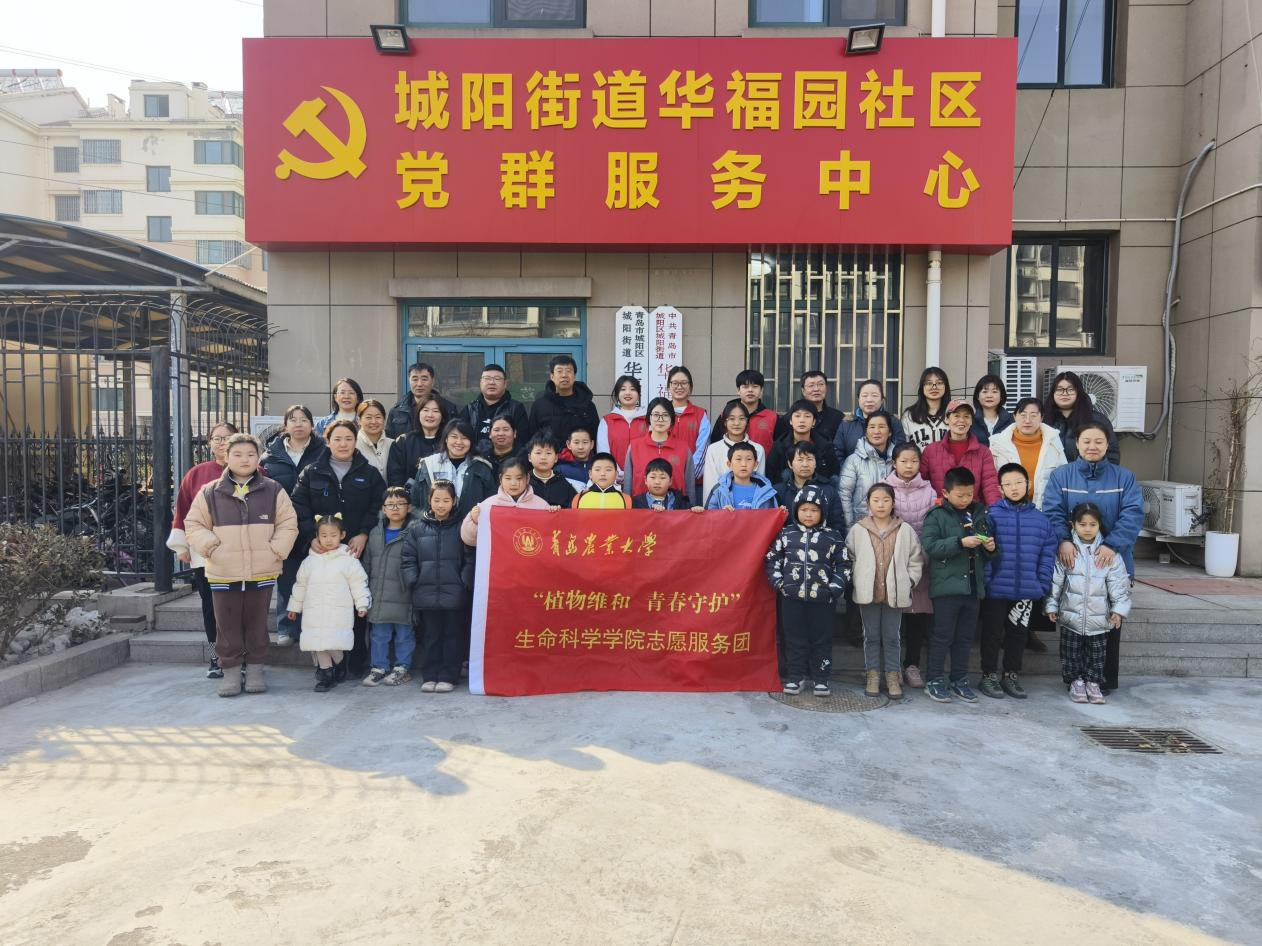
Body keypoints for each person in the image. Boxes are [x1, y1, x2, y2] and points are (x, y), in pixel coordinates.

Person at [183, 433, 297, 697]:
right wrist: (213, 547)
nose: (244, 459)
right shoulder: (210, 491)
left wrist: (275, 551)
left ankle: (255, 670)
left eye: (250, 454)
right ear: (226, 457)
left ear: (258, 458)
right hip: (223, 571)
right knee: (226, 624)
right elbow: (194, 524)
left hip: (262, 570)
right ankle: (231, 672)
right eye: (237, 454)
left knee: (257, 623)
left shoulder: (273, 490)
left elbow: (288, 524)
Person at [1041, 423, 1143, 691]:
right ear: (1077, 444)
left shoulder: (1124, 478)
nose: (1092, 446)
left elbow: (1133, 514)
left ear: (1108, 445)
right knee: (1074, 625)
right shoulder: (1061, 476)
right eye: (1086, 441)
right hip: (1072, 560)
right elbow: (1052, 511)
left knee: (1109, 621)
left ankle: (1102, 680)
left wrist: (1112, 545)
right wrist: (1063, 540)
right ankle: (1075, 678)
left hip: (1111, 560)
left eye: (1099, 441)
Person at [290, 419, 386, 677]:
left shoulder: (369, 473)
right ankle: (327, 664)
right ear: (328, 441)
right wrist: (311, 537)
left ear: (356, 441)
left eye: (349, 439)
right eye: (337, 439)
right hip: (321, 552)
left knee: (356, 606)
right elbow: (298, 507)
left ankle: (355, 662)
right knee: (323, 607)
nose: (343, 444)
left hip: (356, 550)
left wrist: (363, 533)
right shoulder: (311, 472)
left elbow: (378, 505)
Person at [980, 464, 1058, 699]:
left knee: (1018, 634)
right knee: (992, 634)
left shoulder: (1041, 520)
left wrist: (1041, 583)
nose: (1014, 488)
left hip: (1026, 590)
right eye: (1008, 484)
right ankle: (988, 675)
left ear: (1028, 485)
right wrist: (987, 581)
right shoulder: (991, 516)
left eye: (1018, 482)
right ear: (1000, 488)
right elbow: (983, 553)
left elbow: (1047, 555)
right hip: (995, 590)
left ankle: (1011, 675)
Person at [166, 420, 237, 678]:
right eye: (217, 438)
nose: (222, 443)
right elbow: (183, 511)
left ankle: (241, 656)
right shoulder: (196, 474)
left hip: (241, 551)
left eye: (227, 437)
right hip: (205, 553)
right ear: (209, 443)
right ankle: (216, 655)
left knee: (240, 606)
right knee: (211, 604)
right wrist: (181, 544)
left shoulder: (254, 470)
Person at [921, 467, 996, 704]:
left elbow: (988, 555)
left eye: (969, 494)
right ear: (945, 493)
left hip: (973, 587)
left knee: (964, 638)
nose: (965, 499)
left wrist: (991, 548)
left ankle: (959, 680)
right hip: (946, 588)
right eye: (960, 495)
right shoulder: (936, 515)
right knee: (942, 636)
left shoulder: (980, 513)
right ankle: (934, 680)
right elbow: (930, 546)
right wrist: (960, 543)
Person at [765, 484, 848, 697]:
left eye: (814, 510)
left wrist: (834, 589)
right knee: (794, 639)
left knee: (822, 640)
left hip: (823, 599)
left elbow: (843, 564)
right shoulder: (786, 534)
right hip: (791, 598)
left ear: (823, 512)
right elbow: (772, 559)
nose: (808, 514)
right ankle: (795, 677)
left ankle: (821, 678)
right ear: (795, 510)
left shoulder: (833, 536)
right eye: (803, 509)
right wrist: (780, 584)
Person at [1046, 502, 1132, 705]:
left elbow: (1119, 585)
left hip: (1100, 618)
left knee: (1097, 654)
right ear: (1073, 525)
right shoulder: (1067, 552)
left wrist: (1119, 610)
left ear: (1099, 525)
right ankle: (1075, 682)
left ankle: (1093, 683)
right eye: (1082, 524)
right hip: (1070, 616)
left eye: (1092, 524)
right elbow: (1056, 582)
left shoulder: (1109, 554)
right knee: (1070, 652)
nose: (1087, 529)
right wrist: (1051, 604)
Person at [847, 482, 924, 700]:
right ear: (868, 504)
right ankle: (872, 675)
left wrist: (909, 581)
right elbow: (850, 557)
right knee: (871, 636)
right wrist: (857, 578)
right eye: (876, 500)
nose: (881, 505)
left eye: (886, 500)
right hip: (868, 592)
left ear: (893, 503)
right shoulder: (858, 530)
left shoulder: (904, 530)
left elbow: (915, 559)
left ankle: (892, 675)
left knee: (892, 637)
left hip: (895, 593)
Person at [260, 405, 327, 648]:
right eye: (293, 420)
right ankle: (287, 628)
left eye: (304, 419)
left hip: (316, 524)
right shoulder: (271, 455)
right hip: (283, 526)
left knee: (317, 579)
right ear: (285, 425)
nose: (298, 424)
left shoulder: (324, 452)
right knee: (287, 579)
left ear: (312, 424)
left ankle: (313, 627)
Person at [403, 480, 475, 693]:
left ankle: (448, 676)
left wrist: (464, 582)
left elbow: (470, 558)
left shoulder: (462, 527)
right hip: (426, 592)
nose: (441, 505)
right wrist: (414, 580)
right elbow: (408, 558)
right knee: (431, 636)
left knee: (453, 636)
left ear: (454, 501)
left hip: (455, 593)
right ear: (429, 500)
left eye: (446, 500)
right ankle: (430, 675)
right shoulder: (416, 528)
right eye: (437, 500)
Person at [287, 513, 371, 693]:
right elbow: (300, 585)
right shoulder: (309, 562)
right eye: (324, 535)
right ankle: (326, 675)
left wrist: (362, 604)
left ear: (342, 535)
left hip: (337, 611)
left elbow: (358, 583)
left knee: (333, 642)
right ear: (317, 537)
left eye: (333, 535)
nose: (328, 540)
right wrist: (294, 607)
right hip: (314, 611)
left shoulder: (348, 560)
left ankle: (340, 663)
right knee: (317, 642)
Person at [884, 442, 937, 688]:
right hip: (891, 562)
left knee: (916, 617)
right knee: (892, 619)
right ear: (894, 463)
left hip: (921, 563)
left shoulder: (929, 491)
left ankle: (912, 665)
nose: (909, 466)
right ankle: (891, 667)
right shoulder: (884, 488)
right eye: (903, 461)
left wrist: (923, 556)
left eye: (914, 461)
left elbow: (933, 526)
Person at [360, 487, 417, 688]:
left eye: (400, 504)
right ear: (383, 509)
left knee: (404, 635)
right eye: (390, 504)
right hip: (379, 593)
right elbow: (367, 564)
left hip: (404, 595)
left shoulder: (414, 531)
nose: (395, 508)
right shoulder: (375, 533)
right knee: (379, 635)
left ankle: (402, 668)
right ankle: (379, 668)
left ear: (409, 508)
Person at [410, 418, 497, 524]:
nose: (459, 442)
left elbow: (491, 503)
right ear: (446, 439)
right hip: (433, 529)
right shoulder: (429, 464)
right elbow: (414, 504)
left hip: (470, 529)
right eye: (454, 437)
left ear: (471, 441)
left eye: (464, 438)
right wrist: (428, 520)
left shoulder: (481, 467)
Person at [988, 397, 1067, 507]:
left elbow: (1063, 476)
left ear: (1041, 417)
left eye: (1033, 415)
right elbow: (990, 480)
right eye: (1023, 415)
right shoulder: (997, 443)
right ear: (1014, 416)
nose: (1028, 420)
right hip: (1008, 509)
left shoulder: (1053, 441)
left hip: (1045, 508)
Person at [920, 399, 1001, 505]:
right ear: (946, 419)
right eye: (956, 416)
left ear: (971, 421)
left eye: (966, 416)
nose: (961, 420)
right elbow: (921, 484)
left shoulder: (983, 452)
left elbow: (990, 486)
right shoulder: (930, 451)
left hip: (972, 510)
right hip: (940, 510)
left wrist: (995, 510)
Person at [461, 458, 558, 546]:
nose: (513, 483)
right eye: (508, 478)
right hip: (500, 558)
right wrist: (475, 521)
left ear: (527, 478)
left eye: (519, 478)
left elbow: (552, 537)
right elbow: (470, 541)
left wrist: (554, 514)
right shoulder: (489, 505)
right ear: (500, 479)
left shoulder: (541, 505)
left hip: (530, 557)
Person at [623, 397, 697, 505]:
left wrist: (691, 508)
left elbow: (690, 486)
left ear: (672, 419)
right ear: (649, 417)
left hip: (675, 510)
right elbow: (628, 485)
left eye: (665, 415)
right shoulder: (635, 446)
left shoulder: (683, 448)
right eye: (656, 415)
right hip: (640, 509)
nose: (660, 419)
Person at [1044, 370, 1120, 464]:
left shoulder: (1097, 420)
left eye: (1070, 389)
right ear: (1053, 393)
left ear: (1078, 392)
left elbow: (1112, 455)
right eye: (1059, 389)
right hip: (1052, 473)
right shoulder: (1043, 419)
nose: (1065, 393)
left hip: (1087, 473)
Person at [838, 411, 895, 529]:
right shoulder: (853, 461)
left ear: (889, 432)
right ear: (866, 431)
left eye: (882, 427)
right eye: (872, 427)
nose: (876, 431)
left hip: (892, 527)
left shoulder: (898, 460)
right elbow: (844, 496)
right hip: (862, 526)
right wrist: (850, 528)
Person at [528, 354, 599, 445]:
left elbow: (595, 436)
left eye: (568, 371)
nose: (564, 375)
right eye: (559, 371)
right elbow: (532, 438)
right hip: (550, 454)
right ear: (552, 376)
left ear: (574, 376)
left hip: (580, 454)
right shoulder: (539, 405)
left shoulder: (587, 405)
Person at [703, 401, 766, 503]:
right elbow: (710, 486)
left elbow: (760, 484)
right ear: (725, 422)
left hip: (750, 506)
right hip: (721, 507)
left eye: (742, 419)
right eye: (732, 419)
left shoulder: (758, 449)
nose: (737, 423)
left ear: (747, 421)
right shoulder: (713, 449)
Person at [773, 442, 843, 531]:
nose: (805, 464)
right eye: (800, 460)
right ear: (790, 464)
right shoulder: (778, 492)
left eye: (809, 459)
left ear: (816, 463)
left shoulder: (829, 491)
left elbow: (837, 525)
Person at [834, 379, 906, 464]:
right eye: (864, 396)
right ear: (858, 399)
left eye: (874, 396)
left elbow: (901, 453)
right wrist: (849, 471)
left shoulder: (893, 422)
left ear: (882, 400)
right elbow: (837, 454)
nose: (869, 400)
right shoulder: (847, 424)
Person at [463, 362, 530, 452]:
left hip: (507, 459)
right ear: (481, 382)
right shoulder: (470, 409)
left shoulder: (516, 408)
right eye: (487, 378)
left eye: (497, 379)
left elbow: (522, 441)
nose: (491, 382)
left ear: (505, 384)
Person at [767, 399, 839, 483]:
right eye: (797, 416)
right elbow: (770, 475)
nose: (802, 420)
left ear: (814, 421)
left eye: (807, 416)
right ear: (790, 421)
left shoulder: (825, 446)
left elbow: (833, 474)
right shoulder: (779, 446)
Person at [386, 394, 448, 488]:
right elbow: (395, 477)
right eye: (425, 410)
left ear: (442, 417)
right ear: (418, 413)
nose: (430, 415)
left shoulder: (449, 442)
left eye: (435, 411)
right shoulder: (403, 442)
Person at [596, 375, 648, 482]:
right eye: (623, 389)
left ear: (639, 394)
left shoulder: (648, 420)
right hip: (614, 479)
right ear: (617, 394)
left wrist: (640, 473)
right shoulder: (607, 421)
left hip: (643, 478)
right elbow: (603, 451)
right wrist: (617, 472)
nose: (628, 393)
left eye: (632, 389)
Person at [665, 366, 710, 486]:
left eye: (684, 383)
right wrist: (664, 478)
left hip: (694, 483)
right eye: (675, 383)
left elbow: (703, 451)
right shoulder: (661, 413)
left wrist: (687, 478)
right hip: (663, 482)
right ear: (669, 386)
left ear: (690, 386)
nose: (679, 387)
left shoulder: (700, 415)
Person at [774, 369, 846, 444]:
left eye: (821, 384)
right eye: (811, 385)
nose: (816, 389)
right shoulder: (789, 418)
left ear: (826, 388)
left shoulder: (837, 417)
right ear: (803, 391)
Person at [386, 362, 457, 438]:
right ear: (409, 381)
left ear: (433, 381)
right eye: (415, 379)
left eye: (424, 379)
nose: (419, 384)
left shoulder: (449, 409)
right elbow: (390, 440)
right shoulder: (397, 411)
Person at [705, 442, 779, 510]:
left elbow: (772, 516)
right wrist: (722, 514)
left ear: (755, 464)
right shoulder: (719, 490)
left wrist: (781, 512)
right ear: (729, 464)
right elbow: (709, 516)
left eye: (749, 459)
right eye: (738, 459)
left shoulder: (766, 490)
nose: (744, 464)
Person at [901, 366, 952, 449]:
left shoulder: (953, 413)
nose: (934, 387)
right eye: (929, 383)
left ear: (946, 386)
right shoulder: (909, 415)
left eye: (939, 383)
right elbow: (903, 448)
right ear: (922, 387)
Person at [525, 433, 578, 508]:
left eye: (548, 453)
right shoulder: (524, 481)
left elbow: (574, 508)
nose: (543, 457)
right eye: (538, 453)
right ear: (529, 457)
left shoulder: (563, 483)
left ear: (556, 458)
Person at [734, 369, 779, 458]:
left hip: (764, 466)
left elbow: (779, 448)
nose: (750, 390)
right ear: (738, 390)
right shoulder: (726, 415)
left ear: (761, 390)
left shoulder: (773, 417)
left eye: (755, 386)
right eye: (745, 387)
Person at [632, 458, 703, 511]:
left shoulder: (680, 501)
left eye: (662, 478)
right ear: (645, 480)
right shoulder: (636, 503)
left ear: (670, 481)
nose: (657, 482)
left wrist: (694, 511)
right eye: (653, 477)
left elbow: (688, 518)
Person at [970, 374, 1014, 447]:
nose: (989, 395)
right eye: (985, 392)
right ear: (978, 396)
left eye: (994, 392)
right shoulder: (970, 422)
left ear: (1001, 396)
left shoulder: (1012, 421)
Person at [355, 399, 393, 480]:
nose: (373, 422)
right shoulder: (352, 446)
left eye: (378, 417)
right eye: (368, 417)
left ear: (384, 419)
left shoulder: (393, 444)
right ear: (359, 420)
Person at [557, 427, 595, 492]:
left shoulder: (600, 466)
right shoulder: (560, 469)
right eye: (576, 442)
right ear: (568, 444)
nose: (581, 447)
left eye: (585, 442)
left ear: (592, 444)